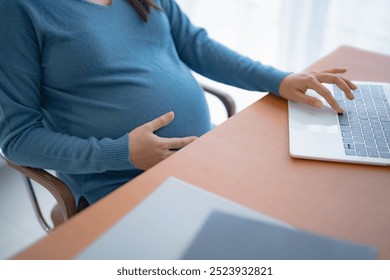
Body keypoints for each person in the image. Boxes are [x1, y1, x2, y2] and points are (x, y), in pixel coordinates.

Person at [0, 0, 356, 211]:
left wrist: (278, 79)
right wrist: (120, 154)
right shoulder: (18, 9)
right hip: (126, 184)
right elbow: (18, 139)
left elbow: (197, 46)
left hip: (206, 155)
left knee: (314, 203)